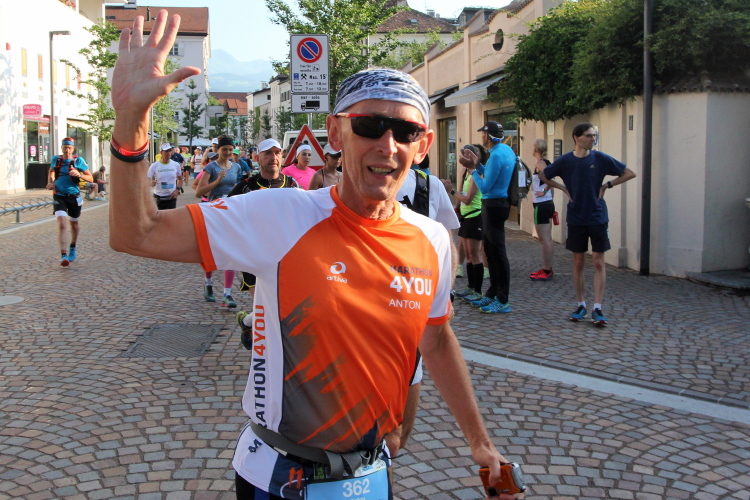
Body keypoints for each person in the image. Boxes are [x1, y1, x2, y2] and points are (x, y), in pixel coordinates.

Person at [108, 12, 513, 499]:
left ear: (423, 145)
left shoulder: (431, 239)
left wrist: (479, 442)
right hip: (279, 476)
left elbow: (436, 338)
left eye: (405, 132)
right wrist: (130, 124)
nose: (387, 145)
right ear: (335, 134)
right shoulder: (281, 214)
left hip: (369, 476)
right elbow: (137, 233)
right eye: (369, 125)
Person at [539, 122, 636, 325]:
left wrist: (607, 185)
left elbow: (629, 173)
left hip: (597, 216)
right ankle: (581, 304)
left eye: (594, 135)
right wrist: (563, 188)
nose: (593, 139)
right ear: (577, 138)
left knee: (598, 262)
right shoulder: (565, 161)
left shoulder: (600, 158)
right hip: (576, 217)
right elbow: (543, 175)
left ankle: (597, 308)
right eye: (589, 135)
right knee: (578, 262)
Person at [230, 138, 298, 346]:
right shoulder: (245, 187)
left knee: (279, 307)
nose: (273, 157)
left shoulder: (292, 186)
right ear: (257, 158)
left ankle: (247, 321)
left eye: (277, 152)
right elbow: (227, 216)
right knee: (266, 306)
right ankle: (268, 351)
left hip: (284, 256)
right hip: (254, 256)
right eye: (268, 153)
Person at [459, 121, 515, 314]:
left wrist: (473, 170)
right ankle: (493, 292)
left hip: (493, 205)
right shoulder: (505, 150)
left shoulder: (496, 155)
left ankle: (502, 298)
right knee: (490, 251)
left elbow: (485, 187)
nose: (482, 136)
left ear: (488, 136)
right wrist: (478, 165)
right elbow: (493, 174)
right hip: (498, 204)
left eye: (483, 133)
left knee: (497, 252)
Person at [195, 135, 242, 308]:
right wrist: (217, 181)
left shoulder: (236, 167)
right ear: (218, 150)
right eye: (224, 150)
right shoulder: (211, 167)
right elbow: (199, 192)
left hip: (231, 213)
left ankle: (227, 294)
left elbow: (237, 188)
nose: (228, 152)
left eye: (230, 149)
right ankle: (208, 283)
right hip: (214, 212)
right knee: (212, 251)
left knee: (231, 251)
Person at [47, 137, 94, 267]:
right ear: (61, 148)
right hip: (59, 196)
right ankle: (64, 255)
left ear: (73, 149)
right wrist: (50, 182)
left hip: (74, 197)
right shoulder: (56, 159)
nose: (67, 150)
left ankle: (73, 246)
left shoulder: (78, 161)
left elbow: (90, 178)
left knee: (74, 224)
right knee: (62, 224)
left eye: (69, 148)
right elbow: (51, 170)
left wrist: (79, 174)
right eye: (65, 147)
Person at [451, 144, 486, 299]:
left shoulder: (477, 174)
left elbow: (468, 198)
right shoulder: (466, 173)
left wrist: (451, 191)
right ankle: (471, 287)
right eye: (464, 154)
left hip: (475, 216)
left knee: (474, 254)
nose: (465, 157)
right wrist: (457, 208)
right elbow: (461, 195)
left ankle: (477, 291)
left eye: (468, 154)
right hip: (465, 217)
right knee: (468, 254)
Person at [529, 139, 555, 281]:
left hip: (542, 204)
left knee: (543, 238)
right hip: (546, 203)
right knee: (547, 238)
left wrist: (544, 192)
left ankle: (546, 269)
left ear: (536, 149)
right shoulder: (546, 162)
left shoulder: (540, 163)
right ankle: (547, 268)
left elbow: (549, 178)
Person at [147, 143, 183, 210]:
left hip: (171, 197)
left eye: (170, 151)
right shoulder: (154, 165)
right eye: (166, 151)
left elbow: (180, 179)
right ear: (161, 153)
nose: (168, 153)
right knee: (158, 216)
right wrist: (150, 183)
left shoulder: (176, 165)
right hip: (158, 197)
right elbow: (146, 180)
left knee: (171, 216)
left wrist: (177, 190)